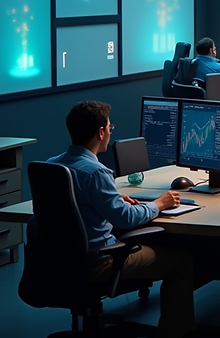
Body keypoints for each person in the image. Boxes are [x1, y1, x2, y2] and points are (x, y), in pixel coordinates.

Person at [47, 101, 195, 338]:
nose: (110, 132)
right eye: (109, 128)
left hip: (57, 260)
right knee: (181, 263)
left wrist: (112, 198)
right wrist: (159, 204)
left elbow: (76, 204)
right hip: (99, 261)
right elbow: (125, 218)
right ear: (101, 132)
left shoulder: (52, 166)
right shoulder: (96, 172)